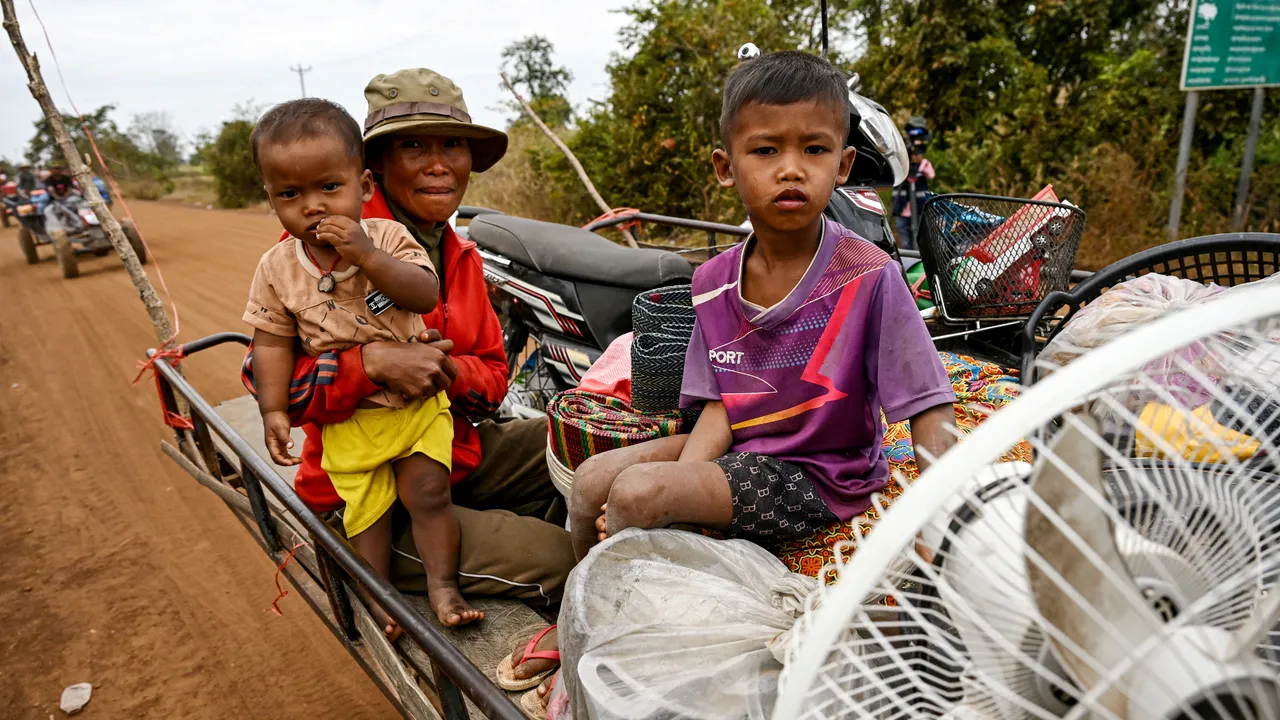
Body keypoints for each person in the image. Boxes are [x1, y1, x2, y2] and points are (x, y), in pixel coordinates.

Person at [239, 70, 575, 623]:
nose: (438, 164)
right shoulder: (313, 246)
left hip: (445, 450)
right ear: (375, 169)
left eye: (453, 145)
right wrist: (370, 364)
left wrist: (443, 369)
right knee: (561, 560)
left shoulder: (460, 254)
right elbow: (268, 380)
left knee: (581, 441)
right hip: (365, 490)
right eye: (414, 146)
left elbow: (493, 379)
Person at [242, 99, 483, 633]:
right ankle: (380, 597)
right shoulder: (278, 268)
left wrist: (368, 257)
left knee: (429, 493)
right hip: (350, 421)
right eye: (290, 194)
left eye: (329, 188)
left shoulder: (390, 239)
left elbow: (423, 294)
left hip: (416, 410)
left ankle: (444, 587)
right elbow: (271, 344)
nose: (313, 207)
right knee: (366, 511)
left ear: (363, 185)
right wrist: (273, 410)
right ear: (271, 199)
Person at [890, 118, 934, 252]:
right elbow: (894, 175)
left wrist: (920, 163)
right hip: (902, 209)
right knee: (905, 239)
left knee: (919, 236)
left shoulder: (924, 164)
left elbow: (931, 175)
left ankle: (918, 255)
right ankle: (908, 256)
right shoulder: (901, 164)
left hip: (919, 208)